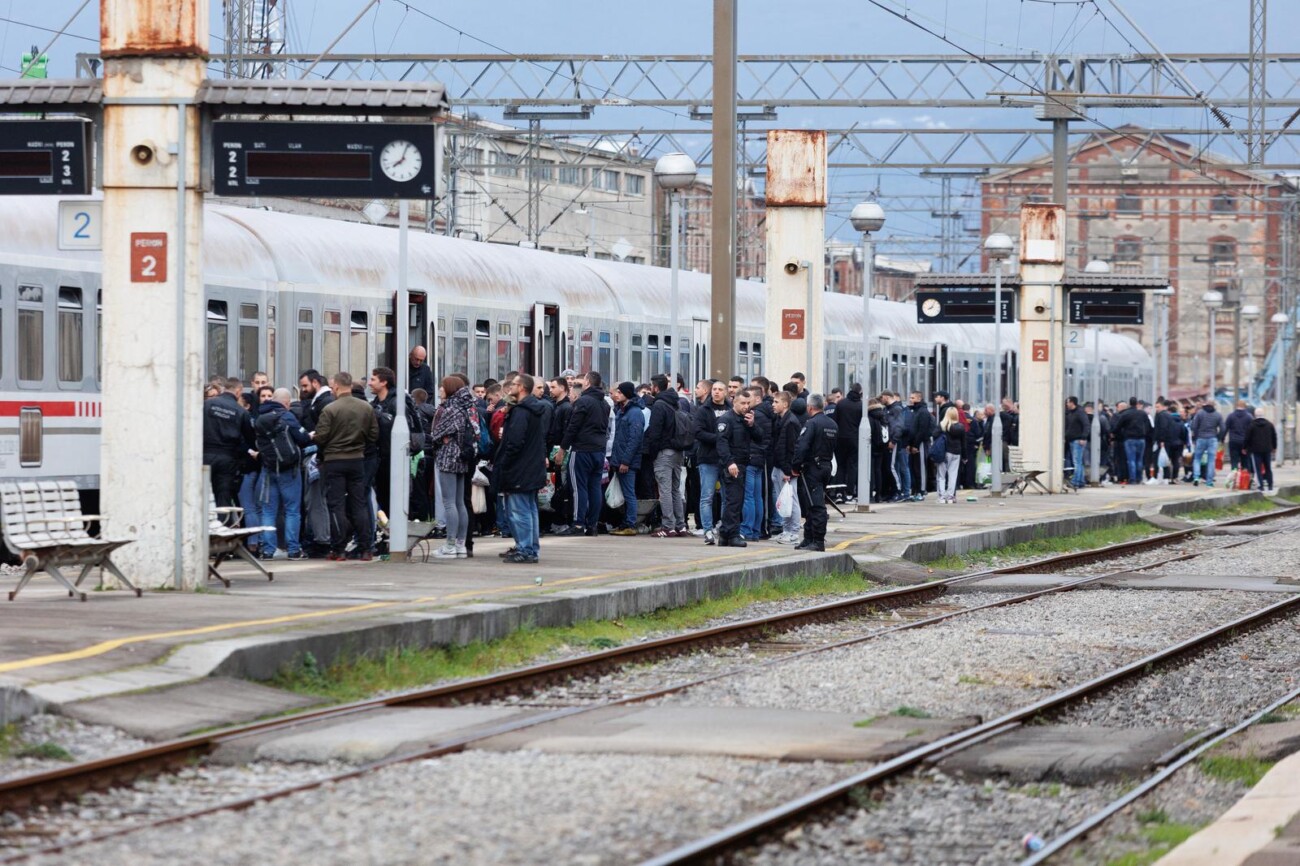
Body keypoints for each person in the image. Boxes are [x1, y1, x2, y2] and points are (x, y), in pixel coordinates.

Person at [313, 372, 379, 562]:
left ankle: (339, 549)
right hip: (357, 460)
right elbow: (373, 435)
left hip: (334, 460)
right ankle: (366, 548)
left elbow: (321, 437)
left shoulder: (330, 409)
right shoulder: (366, 408)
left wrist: (318, 439)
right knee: (359, 504)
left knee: (337, 506)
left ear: (337, 387)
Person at [252, 387, 312, 561]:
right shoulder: (287, 416)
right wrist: (309, 436)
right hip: (289, 470)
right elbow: (303, 439)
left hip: (268, 468)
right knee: (292, 510)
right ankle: (293, 550)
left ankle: (267, 551)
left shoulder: (260, 417)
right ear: (286, 403)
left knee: (268, 511)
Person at [496, 374, 548, 563]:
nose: (510, 388)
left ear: (522, 388)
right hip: (532, 466)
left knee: (519, 511)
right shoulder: (534, 409)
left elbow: (514, 442)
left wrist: (505, 463)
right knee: (529, 509)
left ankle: (526, 549)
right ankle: (529, 547)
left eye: (514, 385)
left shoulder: (521, 412)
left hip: (520, 468)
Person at [428, 376, 478, 559]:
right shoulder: (465, 406)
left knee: (449, 502)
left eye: (442, 386)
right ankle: (460, 544)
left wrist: (440, 438)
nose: (440, 389)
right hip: (463, 457)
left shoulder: (451, 408)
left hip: (449, 457)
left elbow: (436, 433)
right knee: (459, 503)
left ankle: (450, 544)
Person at [557, 371, 610, 537]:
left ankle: (578, 524)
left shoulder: (584, 402)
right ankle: (592, 525)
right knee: (595, 487)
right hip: (599, 450)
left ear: (587, 382)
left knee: (578, 488)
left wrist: (562, 449)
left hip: (582, 449)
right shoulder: (605, 404)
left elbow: (573, 427)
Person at [203, 377, 256, 517]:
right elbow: (250, 439)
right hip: (227, 458)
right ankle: (221, 530)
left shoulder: (207, 405)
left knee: (201, 495)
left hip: (205, 455)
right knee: (223, 497)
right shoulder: (241, 411)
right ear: (238, 391)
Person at [644, 374, 688, 537]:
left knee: (665, 490)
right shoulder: (675, 403)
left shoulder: (659, 405)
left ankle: (668, 526)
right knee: (675, 490)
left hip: (664, 452)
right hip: (677, 451)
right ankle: (680, 525)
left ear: (656, 387)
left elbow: (655, 433)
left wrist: (652, 453)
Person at [792, 394, 837, 551]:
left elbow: (802, 446)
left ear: (810, 407)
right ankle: (808, 538)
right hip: (826, 466)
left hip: (812, 468)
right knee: (811, 503)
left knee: (815, 505)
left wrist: (795, 466)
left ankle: (817, 541)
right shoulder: (832, 424)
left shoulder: (811, 423)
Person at [715, 387, 758, 548]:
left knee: (736, 501)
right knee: (733, 501)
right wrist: (729, 463)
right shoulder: (726, 419)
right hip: (732, 465)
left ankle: (726, 534)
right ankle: (732, 534)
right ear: (734, 402)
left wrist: (752, 425)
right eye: (742, 403)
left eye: (748, 403)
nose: (746, 406)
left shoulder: (746, 419)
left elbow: (760, 437)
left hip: (742, 464)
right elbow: (722, 443)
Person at [693, 380, 730, 544]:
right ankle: (708, 530)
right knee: (706, 496)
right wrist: (720, 439)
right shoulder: (703, 410)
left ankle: (723, 527)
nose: (716, 392)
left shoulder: (730, 410)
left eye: (720, 389)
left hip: (726, 459)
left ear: (725, 392)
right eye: (714, 389)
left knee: (726, 497)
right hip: (708, 459)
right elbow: (698, 432)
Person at [609, 382, 645, 535]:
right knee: (625, 492)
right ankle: (625, 523)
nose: (616, 394)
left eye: (619, 392)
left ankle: (630, 523)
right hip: (621, 459)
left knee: (629, 493)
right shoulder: (622, 411)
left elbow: (634, 439)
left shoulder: (635, 412)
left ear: (626, 394)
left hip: (627, 462)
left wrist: (625, 461)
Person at [770, 390, 803, 544]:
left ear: (785, 404)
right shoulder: (780, 420)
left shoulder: (790, 422)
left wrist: (789, 470)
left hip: (786, 469)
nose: (773, 405)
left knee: (791, 500)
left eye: (776, 402)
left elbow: (792, 448)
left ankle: (794, 532)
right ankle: (786, 530)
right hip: (780, 466)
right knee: (783, 501)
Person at [833, 383, 863, 500]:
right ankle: (850, 492)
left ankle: (839, 493)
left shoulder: (841, 404)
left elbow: (835, 420)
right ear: (860, 392)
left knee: (840, 465)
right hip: (855, 439)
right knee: (852, 465)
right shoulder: (861, 406)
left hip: (841, 438)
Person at [1189, 400, 1226, 486]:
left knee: (1197, 458)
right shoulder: (1217, 415)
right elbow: (1223, 428)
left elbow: (1194, 426)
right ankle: (1209, 481)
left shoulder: (1200, 413)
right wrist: (1218, 437)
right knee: (1211, 460)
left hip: (1201, 438)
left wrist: (1197, 435)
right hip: (1212, 439)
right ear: (1214, 406)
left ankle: (1196, 477)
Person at [934, 405, 966, 504]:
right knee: (953, 475)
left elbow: (934, 435)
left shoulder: (943, 426)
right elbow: (963, 442)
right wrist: (965, 456)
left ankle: (942, 497)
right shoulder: (961, 427)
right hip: (956, 453)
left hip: (945, 452)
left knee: (941, 475)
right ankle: (950, 497)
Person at [1243, 408, 1277, 492]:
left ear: (1255, 415)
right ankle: (1270, 485)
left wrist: (1244, 447)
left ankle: (1260, 486)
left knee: (1257, 468)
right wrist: (1274, 447)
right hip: (1267, 450)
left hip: (1255, 450)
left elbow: (1247, 438)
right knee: (1268, 467)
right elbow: (1274, 436)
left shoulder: (1252, 425)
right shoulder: (1269, 424)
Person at [1064, 396, 1089, 489]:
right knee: (1078, 462)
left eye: (1068, 402)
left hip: (1078, 440)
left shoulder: (1080, 412)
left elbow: (1086, 425)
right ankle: (1081, 481)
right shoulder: (1070, 413)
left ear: (1072, 403)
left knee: (1076, 462)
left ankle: (1075, 482)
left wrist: (1083, 437)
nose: (1066, 404)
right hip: (1072, 440)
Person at [1224, 400, 1255, 472]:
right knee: (1245, 461)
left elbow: (1225, 428)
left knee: (1234, 461)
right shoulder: (1249, 417)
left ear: (1236, 406)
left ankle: (1234, 477)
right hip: (1245, 443)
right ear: (1245, 406)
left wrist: (1222, 439)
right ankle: (1245, 479)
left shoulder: (1231, 416)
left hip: (1233, 441)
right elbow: (1252, 430)